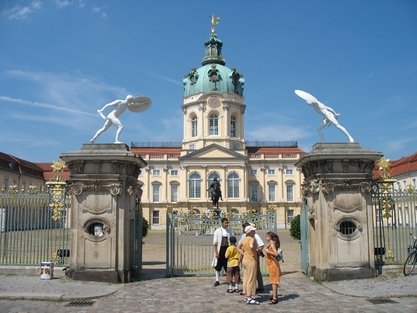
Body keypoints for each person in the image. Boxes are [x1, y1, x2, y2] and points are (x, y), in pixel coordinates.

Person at [239, 222, 265, 292]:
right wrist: (242, 254)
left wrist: (257, 252)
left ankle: (259, 286)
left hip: (251, 256)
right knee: (248, 275)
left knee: (256, 272)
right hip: (249, 257)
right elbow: (242, 247)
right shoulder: (246, 237)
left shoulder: (255, 236)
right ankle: (249, 291)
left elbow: (261, 245)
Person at [238, 225, 259, 305]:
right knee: (251, 279)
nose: (254, 232)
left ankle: (246, 295)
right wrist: (254, 254)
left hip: (245, 259)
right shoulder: (251, 239)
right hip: (251, 260)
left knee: (246, 278)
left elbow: (238, 247)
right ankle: (249, 296)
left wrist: (243, 253)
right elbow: (251, 246)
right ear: (250, 232)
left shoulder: (244, 239)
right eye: (253, 231)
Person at [212, 218, 233, 287]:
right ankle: (217, 280)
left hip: (227, 249)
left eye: (227, 223)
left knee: (228, 265)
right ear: (222, 223)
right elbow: (215, 243)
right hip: (220, 249)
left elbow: (231, 240)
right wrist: (216, 252)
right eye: (225, 223)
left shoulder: (229, 231)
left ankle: (229, 279)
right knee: (218, 265)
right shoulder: (217, 231)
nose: (226, 224)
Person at [264, 231, 282, 305]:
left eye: (267, 236)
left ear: (270, 237)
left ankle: (275, 297)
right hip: (271, 265)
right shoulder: (271, 244)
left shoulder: (272, 244)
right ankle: (275, 295)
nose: (266, 238)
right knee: (273, 281)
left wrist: (267, 251)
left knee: (274, 282)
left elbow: (276, 253)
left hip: (273, 265)